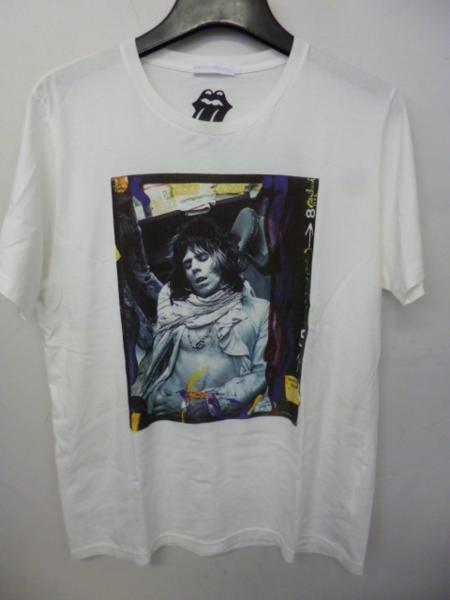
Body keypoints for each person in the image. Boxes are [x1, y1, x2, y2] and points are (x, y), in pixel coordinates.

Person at [131, 215, 272, 422]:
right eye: (187, 265)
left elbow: (261, 375)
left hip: (213, 416)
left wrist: (202, 404)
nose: (194, 268)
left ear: (223, 258)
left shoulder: (259, 311)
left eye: (202, 258)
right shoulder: (176, 309)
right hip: (161, 410)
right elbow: (159, 364)